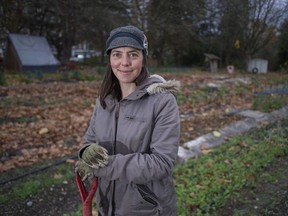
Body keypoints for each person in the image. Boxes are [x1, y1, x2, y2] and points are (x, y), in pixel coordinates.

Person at [75, 25, 180, 216]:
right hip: (107, 206)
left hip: (146, 208)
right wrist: (86, 153)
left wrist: (102, 166)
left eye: (133, 54)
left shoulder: (163, 101)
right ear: (109, 58)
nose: (125, 62)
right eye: (117, 54)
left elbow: (162, 162)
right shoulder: (104, 101)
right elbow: (89, 141)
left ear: (143, 58)